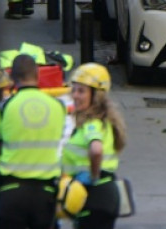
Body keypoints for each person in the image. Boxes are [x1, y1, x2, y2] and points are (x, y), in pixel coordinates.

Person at [0, 54, 65, 229]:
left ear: (12, 78)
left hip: (11, 192)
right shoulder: (58, 107)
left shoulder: (4, 108)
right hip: (46, 193)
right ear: (37, 74)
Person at [62, 63, 128, 229]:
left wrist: (92, 175)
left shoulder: (92, 123)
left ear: (96, 95)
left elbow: (96, 149)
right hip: (105, 194)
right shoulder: (104, 121)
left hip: (93, 195)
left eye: (82, 91)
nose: (75, 95)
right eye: (74, 90)